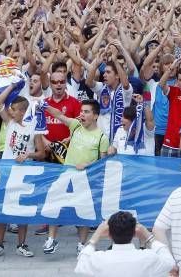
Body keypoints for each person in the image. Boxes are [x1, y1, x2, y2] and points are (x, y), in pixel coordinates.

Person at [43, 99, 109, 255]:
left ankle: (82, 244)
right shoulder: (76, 125)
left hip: (85, 178)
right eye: (81, 111)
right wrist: (44, 105)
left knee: (84, 211)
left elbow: (103, 162)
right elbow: (58, 114)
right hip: (66, 174)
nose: (82, 114)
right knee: (54, 202)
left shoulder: (102, 138)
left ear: (95, 116)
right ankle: (51, 240)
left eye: (86, 112)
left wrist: (88, 164)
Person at [0, 93, 45, 258]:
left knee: (22, 209)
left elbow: (41, 153)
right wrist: (13, 85)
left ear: (22, 111)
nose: (10, 112)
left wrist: (27, 155)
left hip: (24, 174)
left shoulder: (34, 128)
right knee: (2, 209)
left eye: (13, 109)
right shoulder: (10, 122)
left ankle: (21, 244)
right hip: (6, 172)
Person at [74, 211, 175, 277]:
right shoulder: (148, 257)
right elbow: (170, 262)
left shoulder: (98, 259)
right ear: (135, 234)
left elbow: (80, 266)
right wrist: (148, 236)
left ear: (109, 235)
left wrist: (95, 236)